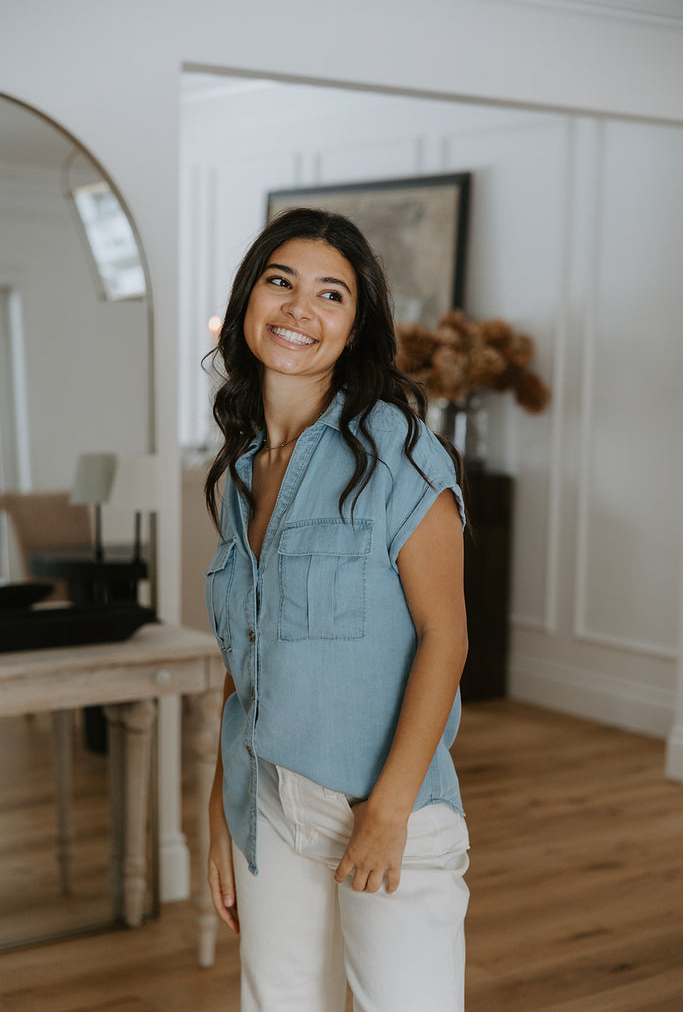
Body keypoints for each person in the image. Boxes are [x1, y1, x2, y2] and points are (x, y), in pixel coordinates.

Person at [204, 207, 470, 1012]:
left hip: (384, 807)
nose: (298, 310)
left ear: (354, 328)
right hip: (269, 803)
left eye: (330, 295)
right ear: (250, 296)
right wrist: (222, 807)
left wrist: (387, 811)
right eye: (280, 282)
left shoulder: (397, 451)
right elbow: (244, 658)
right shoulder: (242, 473)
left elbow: (444, 639)